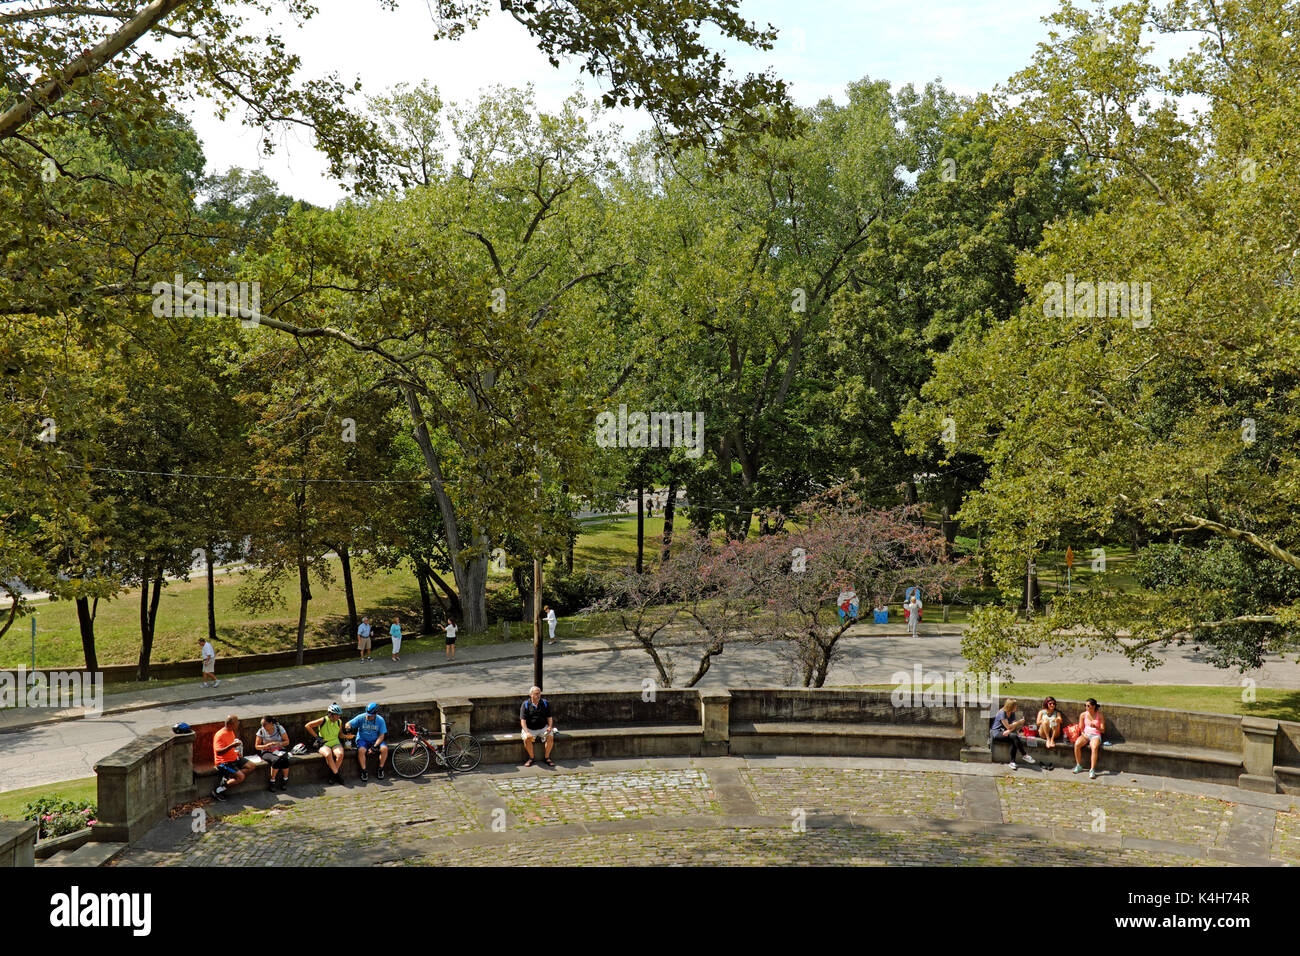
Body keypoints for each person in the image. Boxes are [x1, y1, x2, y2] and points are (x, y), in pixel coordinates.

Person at [305, 703, 350, 784]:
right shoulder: (324, 720)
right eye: (337, 715)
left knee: (340, 754)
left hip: (335, 742)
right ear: (331, 714)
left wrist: (347, 736)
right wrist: (317, 737)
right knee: (328, 754)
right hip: (324, 743)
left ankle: (333, 775)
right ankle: (337, 776)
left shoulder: (339, 722)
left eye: (339, 715)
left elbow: (340, 734)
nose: (339, 717)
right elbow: (308, 726)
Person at [211, 715, 250, 801]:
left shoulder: (231, 731)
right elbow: (219, 752)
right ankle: (219, 790)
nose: (239, 723)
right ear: (231, 724)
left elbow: (231, 746)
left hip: (234, 758)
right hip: (224, 762)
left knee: (251, 766)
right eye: (237, 722)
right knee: (241, 777)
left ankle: (229, 777)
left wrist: (237, 752)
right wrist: (231, 746)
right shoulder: (220, 735)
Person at [347, 702, 388, 782]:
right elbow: (348, 724)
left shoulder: (380, 720)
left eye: (371, 715)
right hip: (363, 739)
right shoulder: (361, 717)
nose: (368, 717)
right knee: (361, 750)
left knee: (384, 749)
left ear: (375, 714)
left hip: (375, 740)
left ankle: (380, 768)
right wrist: (348, 727)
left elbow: (382, 736)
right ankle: (364, 771)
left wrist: (374, 746)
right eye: (367, 714)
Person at [990, 698, 1034, 769]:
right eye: (1015, 706)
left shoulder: (1012, 713)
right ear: (1010, 706)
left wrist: (1009, 730)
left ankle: (1012, 762)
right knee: (1014, 737)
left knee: (1015, 738)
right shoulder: (1002, 713)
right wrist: (1019, 722)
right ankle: (1024, 755)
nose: (1016, 707)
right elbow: (1009, 726)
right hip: (997, 732)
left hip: (1006, 732)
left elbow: (1013, 726)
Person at [520, 685, 555, 768]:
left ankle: (547, 758)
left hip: (543, 727)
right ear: (531, 694)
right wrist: (527, 732)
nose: (538, 695)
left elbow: (549, 717)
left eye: (539, 693)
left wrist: (550, 726)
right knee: (527, 738)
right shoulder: (525, 704)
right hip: (530, 728)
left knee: (550, 736)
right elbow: (523, 721)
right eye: (536, 693)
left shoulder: (545, 703)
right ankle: (531, 758)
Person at [256, 715, 293, 792]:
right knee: (276, 760)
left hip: (279, 749)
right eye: (262, 724)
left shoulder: (279, 728)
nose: (263, 726)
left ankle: (285, 780)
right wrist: (266, 746)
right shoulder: (261, 731)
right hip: (267, 751)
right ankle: (272, 781)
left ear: (271, 723)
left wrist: (278, 744)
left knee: (285, 759)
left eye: (265, 724)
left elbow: (287, 741)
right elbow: (257, 746)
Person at [1073, 698, 1106, 779]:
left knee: (1094, 747)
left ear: (1094, 706)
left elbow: (1103, 730)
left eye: (1088, 705)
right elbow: (1081, 728)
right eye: (1085, 705)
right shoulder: (1083, 715)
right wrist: (1083, 734)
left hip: (1095, 735)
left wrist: (1096, 727)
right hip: (1086, 734)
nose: (1086, 707)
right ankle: (1078, 765)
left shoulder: (1100, 715)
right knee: (1077, 744)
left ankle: (1092, 770)